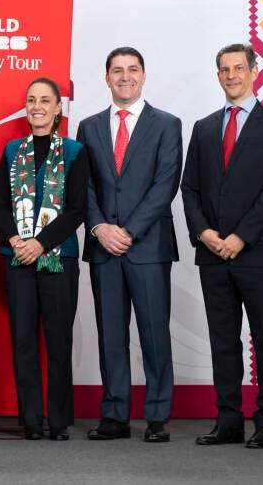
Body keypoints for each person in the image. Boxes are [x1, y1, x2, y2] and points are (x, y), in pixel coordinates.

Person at [181, 43, 263, 449]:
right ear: (218, 76)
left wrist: (240, 237)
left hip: (259, 253)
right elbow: (189, 188)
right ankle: (228, 420)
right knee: (223, 341)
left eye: (239, 68)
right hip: (212, 254)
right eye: (225, 70)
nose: (232, 75)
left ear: (254, 71)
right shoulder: (204, 127)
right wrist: (204, 233)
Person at [76, 47, 182, 442]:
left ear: (143, 75)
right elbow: (83, 186)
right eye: (117, 70)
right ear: (107, 78)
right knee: (111, 334)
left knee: (154, 334)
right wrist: (100, 227)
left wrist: (129, 231)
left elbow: (165, 184)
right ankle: (115, 414)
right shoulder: (88, 127)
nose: (125, 76)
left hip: (148, 247)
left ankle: (157, 416)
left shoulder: (167, 124)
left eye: (132, 69)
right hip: (103, 247)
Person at [0, 77, 88, 441]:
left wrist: (41, 242)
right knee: (23, 340)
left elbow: (77, 209)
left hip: (58, 259)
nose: (37, 106)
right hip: (17, 257)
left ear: (58, 107)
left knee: (58, 340)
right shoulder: (11, 151)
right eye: (32, 100)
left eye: (45, 100)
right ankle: (31, 419)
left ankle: (59, 420)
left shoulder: (75, 152)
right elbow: (0, 203)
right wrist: (16, 239)